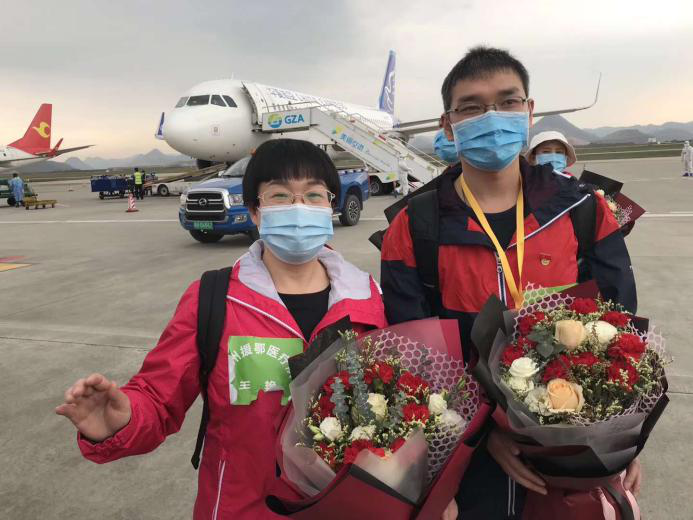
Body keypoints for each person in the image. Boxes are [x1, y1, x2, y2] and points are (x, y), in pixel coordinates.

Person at [55, 139, 389, 519]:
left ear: (331, 206)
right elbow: (158, 397)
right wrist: (123, 420)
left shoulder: (368, 297)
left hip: (348, 507)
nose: (299, 208)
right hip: (241, 508)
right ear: (255, 211)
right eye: (280, 195)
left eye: (314, 195)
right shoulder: (212, 298)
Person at [380, 46, 641, 519]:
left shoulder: (582, 209)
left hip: (574, 442)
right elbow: (414, 351)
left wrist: (623, 435)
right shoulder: (414, 226)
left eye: (507, 101)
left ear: (529, 112)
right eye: (472, 107)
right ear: (447, 125)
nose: (492, 117)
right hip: (467, 453)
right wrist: (486, 434)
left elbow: (621, 331)